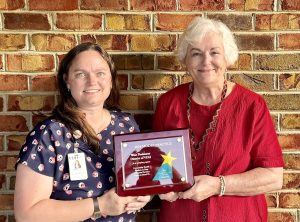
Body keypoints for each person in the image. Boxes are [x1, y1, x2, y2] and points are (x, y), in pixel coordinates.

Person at [153, 17, 284, 222]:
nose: (206, 61)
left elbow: (274, 177)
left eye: (214, 52)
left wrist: (217, 185)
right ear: (185, 60)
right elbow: (159, 165)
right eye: (196, 53)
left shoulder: (252, 106)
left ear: (227, 58)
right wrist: (161, 184)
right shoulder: (168, 103)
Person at [14, 42, 151, 222]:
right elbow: (27, 214)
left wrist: (145, 195)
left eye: (100, 73)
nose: (92, 81)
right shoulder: (50, 134)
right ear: (67, 81)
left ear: (111, 79)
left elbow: (143, 179)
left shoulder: (126, 125)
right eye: (80, 74)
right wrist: (100, 206)